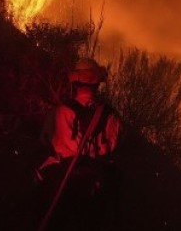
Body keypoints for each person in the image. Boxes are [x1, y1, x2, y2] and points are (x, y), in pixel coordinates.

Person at [35, 57, 121, 230]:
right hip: (96, 184)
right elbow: (112, 146)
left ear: (75, 83)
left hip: (64, 181)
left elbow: (50, 142)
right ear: (97, 84)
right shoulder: (112, 117)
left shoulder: (62, 111)